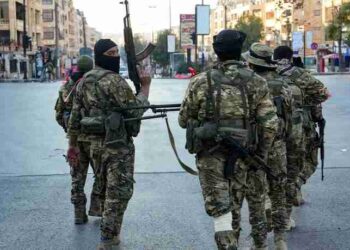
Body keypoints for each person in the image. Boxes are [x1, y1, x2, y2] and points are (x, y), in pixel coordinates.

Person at [178, 30, 278, 250]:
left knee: (221, 210)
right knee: (236, 204)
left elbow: (183, 120)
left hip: (210, 157)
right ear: (240, 51)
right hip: (246, 154)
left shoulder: (200, 82)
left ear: (216, 51)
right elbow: (270, 124)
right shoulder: (257, 82)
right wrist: (260, 155)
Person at [67, 39, 151, 249]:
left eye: (116, 52)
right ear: (101, 55)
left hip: (94, 146)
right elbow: (134, 111)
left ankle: (106, 231)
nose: (115, 56)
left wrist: (73, 145)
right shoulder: (114, 81)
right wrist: (146, 87)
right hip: (116, 146)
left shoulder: (84, 81)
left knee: (106, 187)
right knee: (118, 191)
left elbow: (75, 119)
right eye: (111, 53)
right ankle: (108, 238)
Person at [241, 43, 292, 250]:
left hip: (255, 148)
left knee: (256, 197)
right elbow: (288, 118)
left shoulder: (249, 85)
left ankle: (259, 243)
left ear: (252, 64)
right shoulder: (283, 85)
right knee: (278, 193)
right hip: (278, 146)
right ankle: (280, 240)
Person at [274, 46, 329, 206]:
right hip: (300, 125)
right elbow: (323, 93)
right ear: (290, 58)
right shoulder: (299, 74)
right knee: (308, 160)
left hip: (271, 126)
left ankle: (279, 196)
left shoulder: (265, 73)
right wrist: (304, 104)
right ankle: (294, 188)